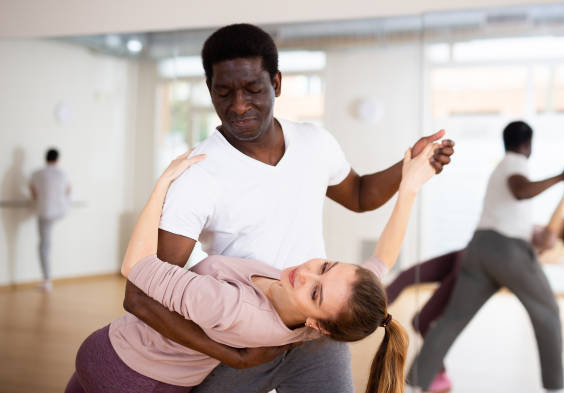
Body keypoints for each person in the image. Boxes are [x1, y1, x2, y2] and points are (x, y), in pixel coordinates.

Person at [121, 23, 455, 393]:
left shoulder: (315, 142)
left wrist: (408, 166)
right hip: (242, 340)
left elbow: (359, 196)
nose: (239, 106)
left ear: (276, 83)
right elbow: (144, 292)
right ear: (209, 91)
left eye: (253, 89)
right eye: (224, 92)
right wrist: (233, 355)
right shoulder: (198, 173)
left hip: (315, 331)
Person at [65, 140, 439, 393]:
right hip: (116, 348)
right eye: (325, 265)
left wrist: (163, 182)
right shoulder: (335, 311)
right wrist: (409, 186)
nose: (305, 273)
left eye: (314, 291)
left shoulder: (233, 308)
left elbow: (136, 267)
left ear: (317, 326)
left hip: (126, 374)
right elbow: (383, 257)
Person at [406, 121, 564, 393]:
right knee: (547, 311)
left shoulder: (501, 166)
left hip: (478, 249)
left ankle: (416, 381)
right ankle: (555, 387)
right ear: (527, 144)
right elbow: (520, 190)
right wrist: (562, 177)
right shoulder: (515, 164)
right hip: (507, 251)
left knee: (453, 318)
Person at [387, 177, 564, 393]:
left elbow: (554, 224)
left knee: (430, 320)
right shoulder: (541, 236)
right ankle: (423, 373)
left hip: (472, 262)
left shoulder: (548, 240)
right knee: (424, 302)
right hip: (471, 256)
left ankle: (431, 375)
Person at [29, 148, 71, 291]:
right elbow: (68, 191)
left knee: (44, 246)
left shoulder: (36, 174)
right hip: (61, 211)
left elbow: (34, 194)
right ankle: (47, 280)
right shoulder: (63, 174)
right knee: (46, 245)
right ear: (57, 159)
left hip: (45, 213)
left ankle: (47, 280)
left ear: (45, 158)